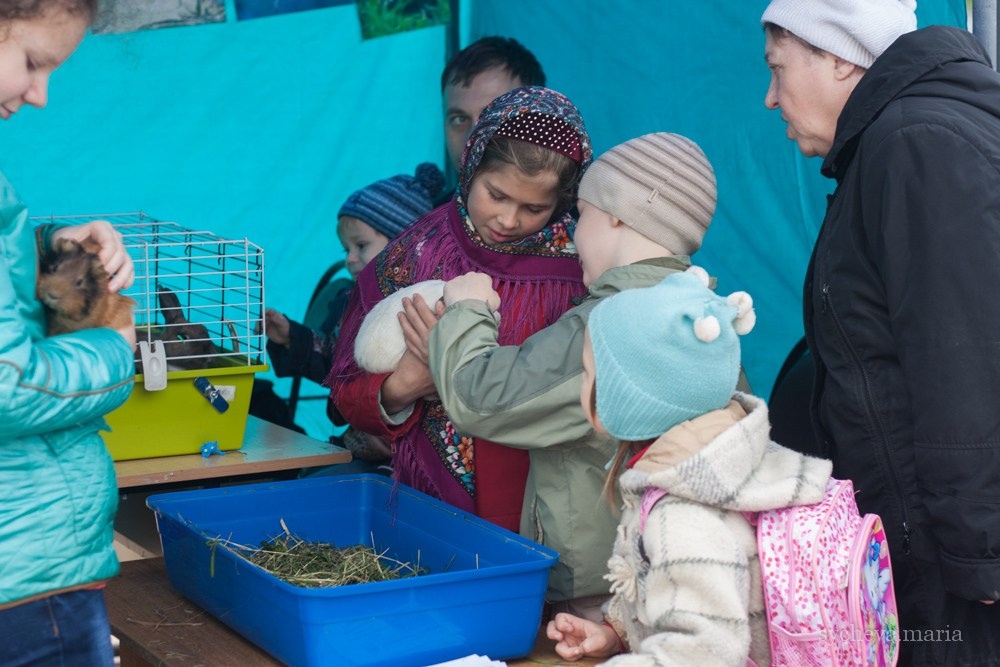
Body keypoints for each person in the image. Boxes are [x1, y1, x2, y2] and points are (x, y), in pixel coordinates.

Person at [407, 133, 733, 621]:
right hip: (682, 573)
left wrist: (468, 309)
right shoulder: (711, 320)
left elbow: (480, 400)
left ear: (617, 214)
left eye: (582, 215)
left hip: (599, 591)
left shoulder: (613, 323)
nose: (574, 236)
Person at [761, 1, 1000, 663]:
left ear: (840, 55)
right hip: (926, 553)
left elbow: (967, 355)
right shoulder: (899, 140)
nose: (770, 96)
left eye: (779, 69)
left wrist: (983, 553)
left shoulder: (916, 141)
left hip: (960, 579)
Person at [327, 86, 591, 533]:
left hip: (542, 503)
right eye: (496, 194)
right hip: (423, 498)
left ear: (563, 202)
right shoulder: (417, 253)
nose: (509, 220)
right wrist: (403, 385)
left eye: (534, 208)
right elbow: (345, 388)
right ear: (471, 168)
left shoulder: (580, 268)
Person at [545, 270, 832, 665]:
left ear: (628, 396)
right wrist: (616, 632)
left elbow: (703, 651)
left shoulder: (682, 515)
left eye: (588, 373)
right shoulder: (728, 456)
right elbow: (681, 592)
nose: (583, 384)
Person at [0, 1, 139, 664]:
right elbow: (7, 383)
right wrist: (117, 349)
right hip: (22, 576)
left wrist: (49, 248)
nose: (41, 94)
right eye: (32, 62)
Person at [253, 163, 444, 455]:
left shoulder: (427, 305)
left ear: (403, 243)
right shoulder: (352, 303)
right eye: (346, 249)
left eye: (361, 245)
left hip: (413, 449)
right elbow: (338, 364)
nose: (350, 259)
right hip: (359, 441)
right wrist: (292, 336)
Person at [441, 36, 546, 176]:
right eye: (459, 119)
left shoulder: (580, 196)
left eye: (494, 117)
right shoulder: (427, 197)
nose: (473, 141)